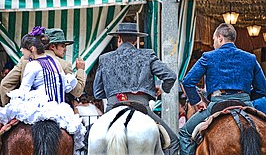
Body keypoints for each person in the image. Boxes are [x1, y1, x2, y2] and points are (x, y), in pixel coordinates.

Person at [179, 23, 266, 155]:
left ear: (220, 38)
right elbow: (262, 89)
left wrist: (197, 102)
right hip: (245, 102)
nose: (214, 43)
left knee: (184, 133)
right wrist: (246, 97)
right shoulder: (250, 58)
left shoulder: (208, 57)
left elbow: (187, 82)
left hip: (217, 104)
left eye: (214, 39)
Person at [93, 22, 179, 155]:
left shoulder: (104, 59)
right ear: (136, 40)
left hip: (113, 106)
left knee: (87, 141)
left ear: (119, 39)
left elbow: (98, 93)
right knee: (173, 142)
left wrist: (114, 92)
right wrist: (161, 89)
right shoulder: (147, 55)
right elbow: (170, 76)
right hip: (141, 107)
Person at [0, 31, 86, 151]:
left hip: (37, 107)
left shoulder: (31, 64)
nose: (21, 51)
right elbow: (68, 87)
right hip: (59, 109)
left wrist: (11, 109)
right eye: (63, 46)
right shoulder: (57, 62)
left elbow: (22, 90)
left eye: (23, 49)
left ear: (32, 49)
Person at [0, 27, 86, 106]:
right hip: (55, 112)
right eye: (62, 46)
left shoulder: (25, 60)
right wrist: (80, 70)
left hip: (28, 114)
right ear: (52, 46)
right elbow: (77, 92)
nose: (65, 49)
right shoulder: (63, 64)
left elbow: (5, 84)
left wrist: (11, 111)